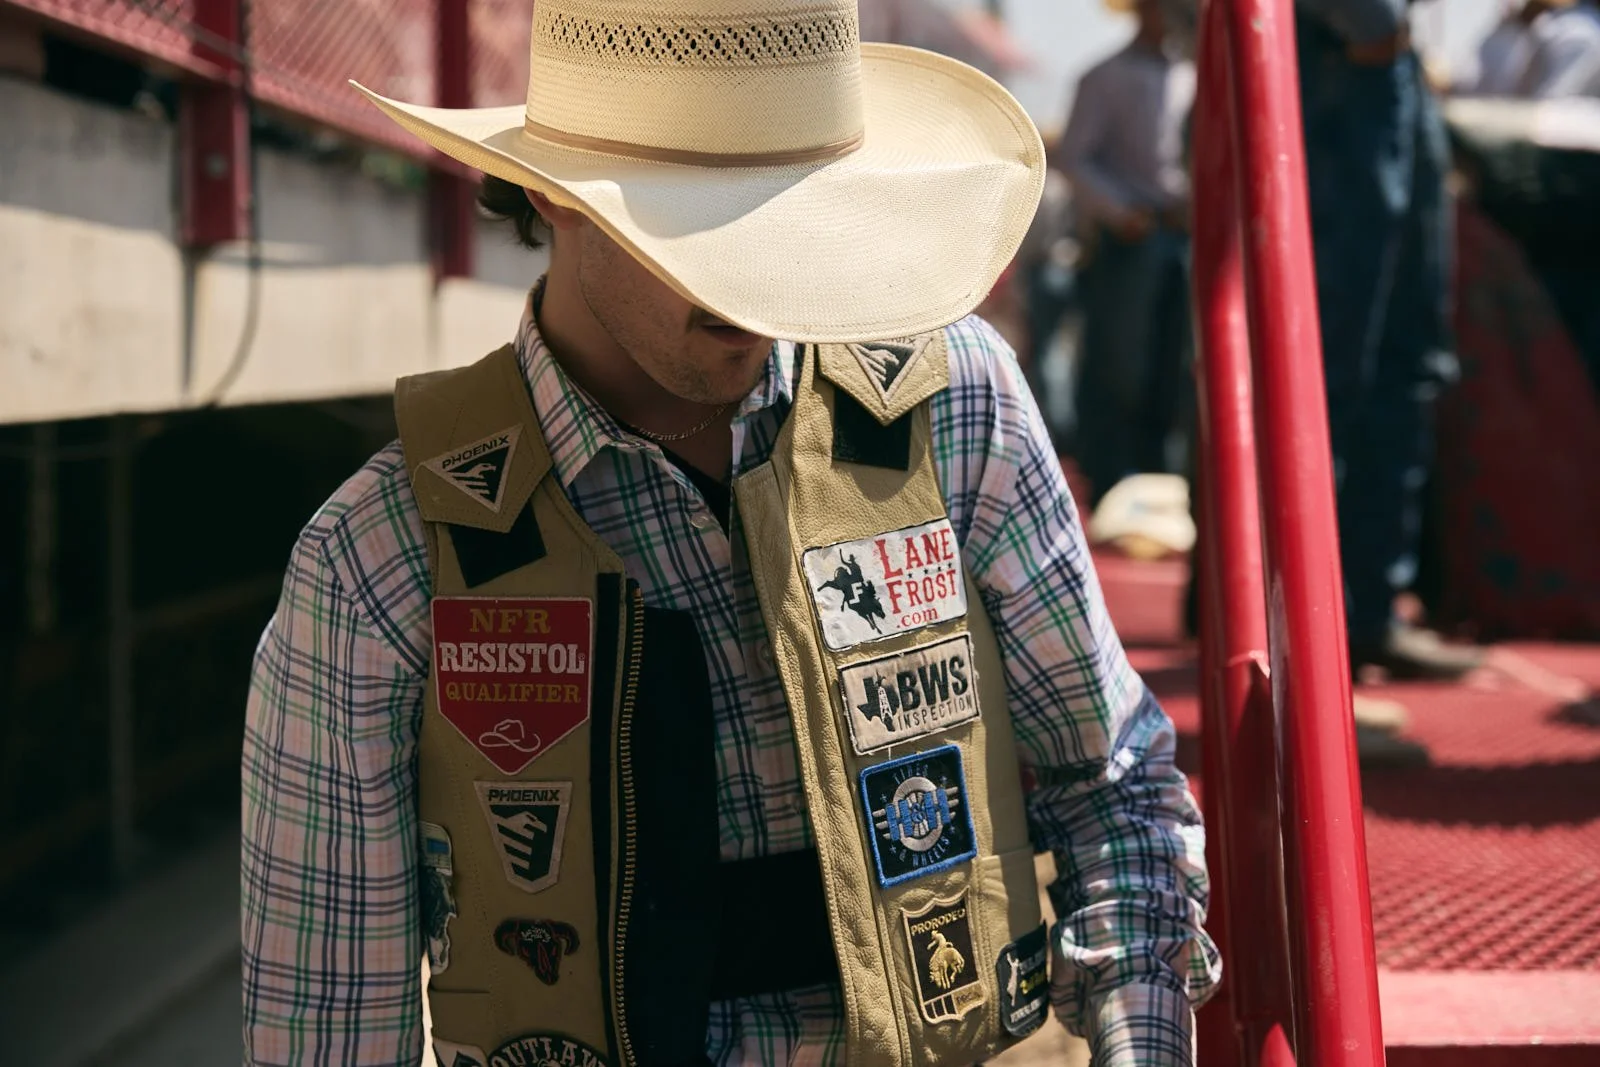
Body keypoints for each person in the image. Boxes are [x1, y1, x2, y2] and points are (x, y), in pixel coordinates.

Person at [239, 3, 1219, 1066]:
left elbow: (1109, 783)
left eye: (798, 214)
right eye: (701, 224)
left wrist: (1143, 1043)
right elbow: (326, 1021)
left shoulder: (954, 404)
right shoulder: (377, 562)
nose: (765, 278)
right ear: (547, 193)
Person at [1293, 0, 1486, 722]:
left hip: (1381, 67)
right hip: (1351, 66)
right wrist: (1371, 25)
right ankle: (1320, 650)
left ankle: (1365, 616)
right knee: (1337, 368)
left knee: (1402, 361)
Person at [1058, 0, 1196, 510]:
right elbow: (1075, 157)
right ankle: (1114, 477)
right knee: (1122, 365)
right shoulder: (1104, 77)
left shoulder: (1192, 77)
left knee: (1173, 363)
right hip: (1130, 240)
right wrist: (1121, 212)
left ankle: (1157, 478)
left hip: (1180, 236)